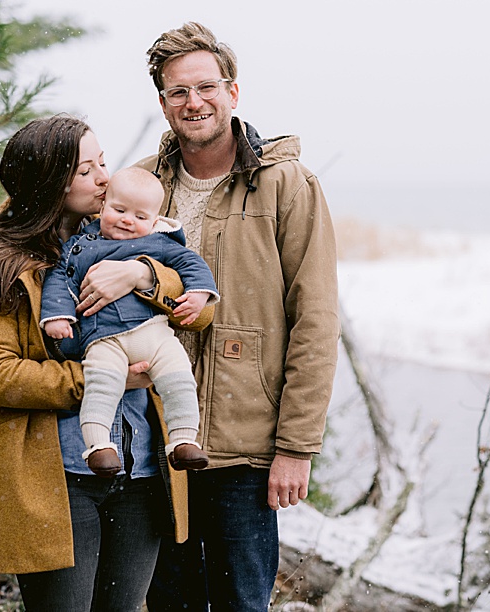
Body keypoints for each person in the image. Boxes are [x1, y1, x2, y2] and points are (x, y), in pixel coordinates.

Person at [0, 115, 206, 611]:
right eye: (86, 170)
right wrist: (102, 379)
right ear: (49, 183)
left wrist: (137, 272)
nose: (105, 178)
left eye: (104, 163)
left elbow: (200, 308)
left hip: (139, 471)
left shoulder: (131, 237)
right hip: (56, 478)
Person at [135, 23, 340, 611]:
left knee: (239, 603)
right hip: (156, 440)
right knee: (165, 601)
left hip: (246, 449)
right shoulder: (144, 184)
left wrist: (296, 447)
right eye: (178, 92)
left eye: (205, 87)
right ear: (162, 102)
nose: (193, 102)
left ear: (233, 92)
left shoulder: (287, 184)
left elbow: (316, 320)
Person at [40, 167, 219, 477]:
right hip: (103, 337)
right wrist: (57, 315)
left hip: (153, 334)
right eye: (119, 210)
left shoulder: (159, 244)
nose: (126, 220)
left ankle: (183, 439)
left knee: (178, 376)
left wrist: (199, 293)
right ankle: (99, 446)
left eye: (139, 217)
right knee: (102, 383)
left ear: (154, 221)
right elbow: (60, 279)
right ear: (103, 205)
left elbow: (191, 264)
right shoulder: (82, 246)